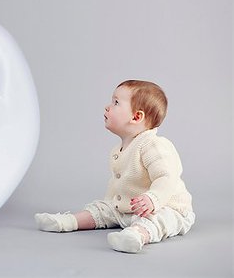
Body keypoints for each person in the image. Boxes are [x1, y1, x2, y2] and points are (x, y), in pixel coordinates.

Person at [35, 80, 195, 253]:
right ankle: (69, 221)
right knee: (102, 208)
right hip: (128, 208)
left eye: (116, 102)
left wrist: (153, 199)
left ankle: (136, 236)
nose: (107, 107)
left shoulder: (153, 145)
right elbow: (119, 185)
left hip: (166, 207)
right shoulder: (119, 149)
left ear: (136, 117)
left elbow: (166, 177)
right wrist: (113, 204)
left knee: (158, 219)